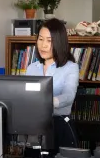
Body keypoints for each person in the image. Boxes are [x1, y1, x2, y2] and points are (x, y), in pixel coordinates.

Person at [25, 18, 79, 149]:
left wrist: (47, 102)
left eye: (49, 41)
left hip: (59, 126)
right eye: (41, 39)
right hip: (34, 127)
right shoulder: (32, 68)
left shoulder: (70, 67)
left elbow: (68, 96)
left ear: (59, 43)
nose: (43, 45)